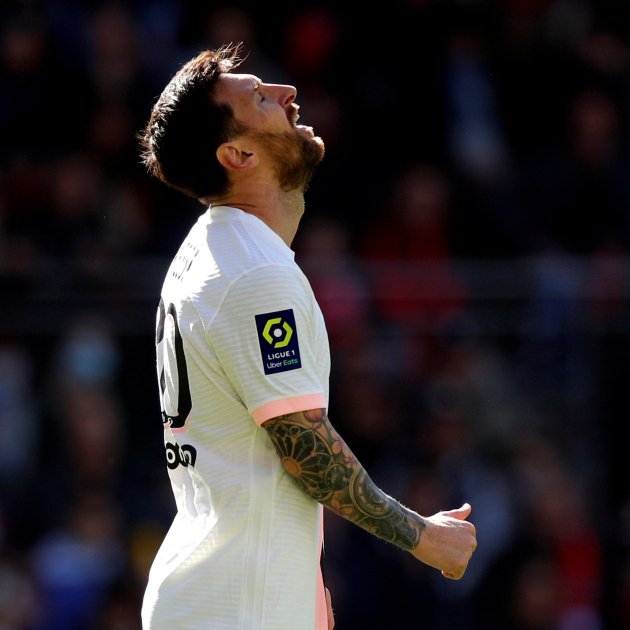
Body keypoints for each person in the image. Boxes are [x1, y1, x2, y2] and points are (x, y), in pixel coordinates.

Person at [138, 43, 477, 630]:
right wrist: (424, 537)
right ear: (238, 154)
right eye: (259, 98)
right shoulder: (255, 273)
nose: (287, 93)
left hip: (223, 602)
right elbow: (304, 450)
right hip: (238, 611)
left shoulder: (213, 250)